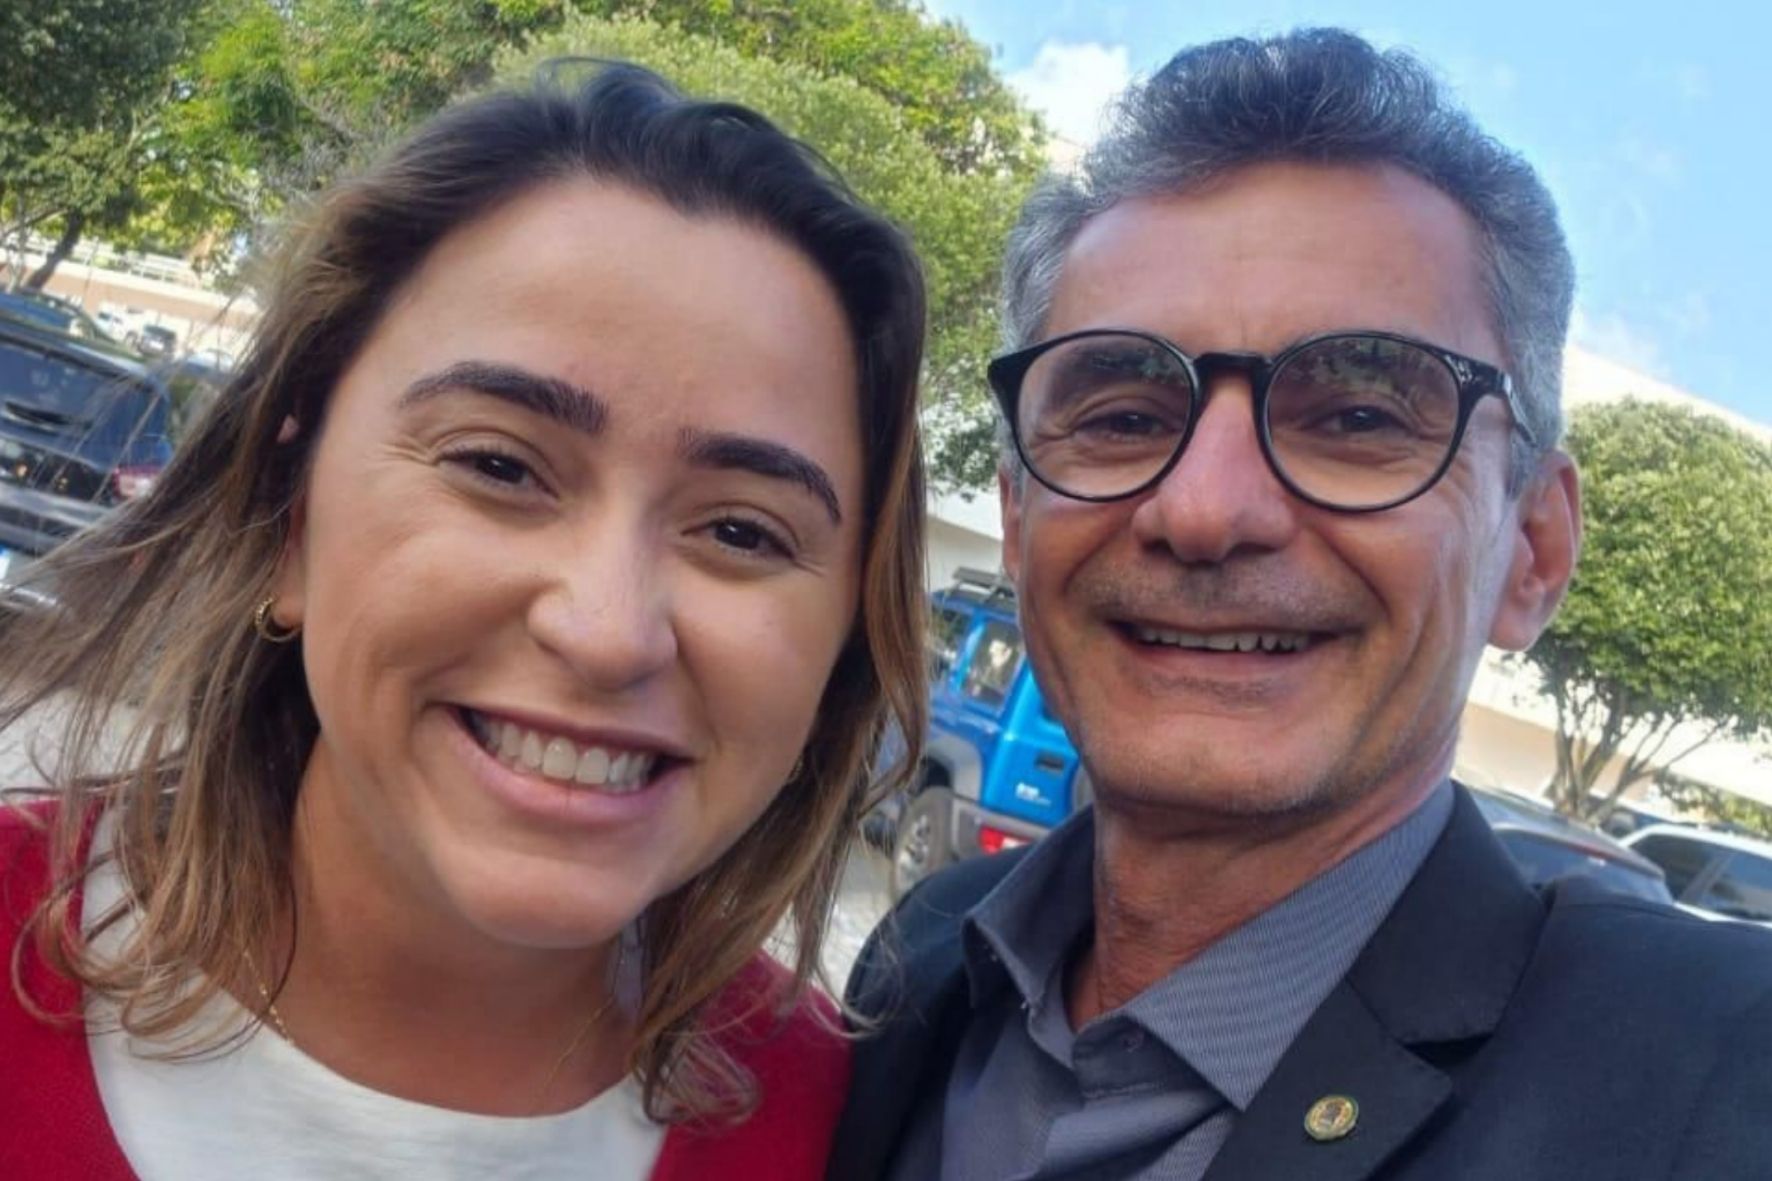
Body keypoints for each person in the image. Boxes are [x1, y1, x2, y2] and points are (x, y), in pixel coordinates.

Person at [832, 28, 1772, 1181]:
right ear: (1017, 520)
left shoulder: (1719, 1076)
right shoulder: (924, 957)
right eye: (1121, 416)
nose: (1203, 509)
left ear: (1531, 549)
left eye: (1358, 417)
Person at [0, 62, 929, 1180]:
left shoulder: (852, 1126)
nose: (606, 631)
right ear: (290, 515)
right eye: (498, 465)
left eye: (741, 531)